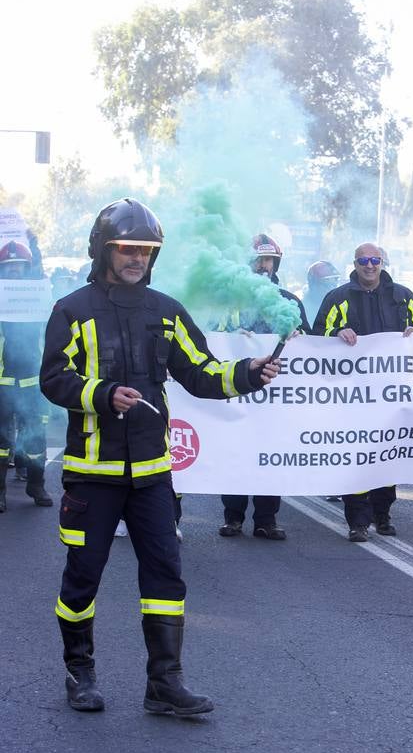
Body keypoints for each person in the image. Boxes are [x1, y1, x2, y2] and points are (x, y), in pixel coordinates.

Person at [40, 198, 281, 715]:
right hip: (92, 476)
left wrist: (247, 373)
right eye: (127, 248)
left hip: (153, 476)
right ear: (104, 250)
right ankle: (80, 673)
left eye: (146, 251)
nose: (137, 258)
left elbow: (201, 372)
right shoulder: (71, 310)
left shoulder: (167, 312)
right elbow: (54, 379)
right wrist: (103, 394)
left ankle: (165, 683)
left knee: (166, 578)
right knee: (83, 578)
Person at [312, 241, 413, 542]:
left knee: (387, 455)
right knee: (358, 457)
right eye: (363, 260)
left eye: (375, 260)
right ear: (354, 264)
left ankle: (382, 514)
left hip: (392, 393)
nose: (369, 266)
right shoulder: (338, 298)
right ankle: (358, 522)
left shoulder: (403, 297)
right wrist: (336, 333)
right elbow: (317, 335)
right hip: (352, 395)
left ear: (382, 263)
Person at [218, 234, 310, 541]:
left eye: (269, 260)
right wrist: (233, 337)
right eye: (258, 259)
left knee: (271, 456)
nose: (263, 265)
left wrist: (299, 336)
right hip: (239, 393)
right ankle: (233, 518)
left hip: (277, 398)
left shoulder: (289, 301)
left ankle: (266, 520)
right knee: (236, 453)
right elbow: (211, 336)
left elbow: (311, 343)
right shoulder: (230, 302)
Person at [0, 240, 53, 512]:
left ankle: (36, 484)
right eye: (8, 266)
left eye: (19, 265)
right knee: (1, 440)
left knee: (35, 436)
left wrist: (34, 243)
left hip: (33, 379)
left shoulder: (38, 295)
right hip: (2, 380)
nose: (14, 270)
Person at [302, 260, 340, 328]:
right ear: (314, 284)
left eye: (335, 279)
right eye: (327, 281)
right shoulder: (304, 308)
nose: (333, 286)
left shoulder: (340, 303)